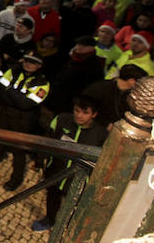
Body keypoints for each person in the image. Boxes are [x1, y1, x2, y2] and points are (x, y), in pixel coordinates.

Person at [31, 95, 108, 231]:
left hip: (78, 178)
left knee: (73, 204)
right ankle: (49, 220)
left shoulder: (101, 134)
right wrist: (40, 159)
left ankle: (68, 228)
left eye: (85, 113)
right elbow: (48, 140)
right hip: (55, 170)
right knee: (52, 197)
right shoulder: (62, 120)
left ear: (94, 114)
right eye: (77, 111)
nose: (79, 115)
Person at [0, 51, 50, 191]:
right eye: (27, 60)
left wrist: (9, 93)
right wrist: (17, 97)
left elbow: (26, 104)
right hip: (4, 114)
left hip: (23, 121)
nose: (28, 64)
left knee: (18, 150)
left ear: (39, 65)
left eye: (32, 62)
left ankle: (16, 179)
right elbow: (0, 90)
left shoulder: (42, 83)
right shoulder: (13, 71)